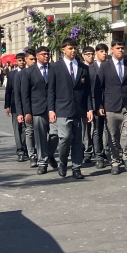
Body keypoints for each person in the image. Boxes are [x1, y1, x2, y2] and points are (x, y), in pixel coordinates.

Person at [95, 39, 127, 175]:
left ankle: (126, 157)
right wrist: (99, 105)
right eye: (118, 48)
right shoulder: (105, 66)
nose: (120, 50)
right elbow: (98, 88)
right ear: (112, 49)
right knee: (113, 136)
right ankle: (115, 161)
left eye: (122, 48)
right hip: (111, 106)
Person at [48, 38, 93, 179]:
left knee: (78, 141)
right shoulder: (55, 67)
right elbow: (51, 90)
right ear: (63, 49)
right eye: (70, 48)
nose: (73, 51)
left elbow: (88, 92)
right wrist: (51, 109)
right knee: (65, 138)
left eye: (75, 48)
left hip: (79, 109)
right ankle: (63, 163)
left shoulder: (83, 68)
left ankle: (76, 168)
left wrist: (90, 109)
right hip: (62, 109)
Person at [21, 46, 59, 175]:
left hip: (53, 108)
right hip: (37, 109)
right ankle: (42, 162)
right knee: (40, 137)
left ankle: (49, 154)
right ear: (37, 56)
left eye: (48, 54)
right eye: (43, 54)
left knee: (57, 134)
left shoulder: (54, 69)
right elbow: (25, 94)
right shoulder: (29, 72)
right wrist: (27, 112)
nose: (46, 56)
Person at [88, 43, 110, 169]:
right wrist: (93, 107)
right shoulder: (91, 68)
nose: (104, 53)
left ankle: (109, 153)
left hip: (110, 104)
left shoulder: (109, 66)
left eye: (106, 51)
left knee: (110, 131)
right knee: (97, 131)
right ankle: (99, 156)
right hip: (96, 104)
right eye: (101, 51)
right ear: (96, 53)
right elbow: (90, 90)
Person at [15, 49, 37, 167]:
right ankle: (32, 155)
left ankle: (42, 153)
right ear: (26, 60)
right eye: (31, 59)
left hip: (41, 108)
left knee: (43, 133)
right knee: (29, 132)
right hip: (27, 109)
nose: (33, 61)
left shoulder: (42, 71)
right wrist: (20, 112)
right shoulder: (20, 74)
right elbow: (18, 95)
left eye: (35, 59)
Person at [5, 53, 28, 162]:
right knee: (17, 128)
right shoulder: (12, 74)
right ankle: (20, 150)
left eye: (23, 60)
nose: (22, 62)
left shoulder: (30, 72)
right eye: (20, 60)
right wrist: (7, 106)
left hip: (27, 105)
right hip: (15, 105)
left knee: (26, 129)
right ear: (16, 62)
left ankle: (27, 148)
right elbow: (8, 91)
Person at [81, 46, 96, 163]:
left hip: (97, 101)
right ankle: (87, 151)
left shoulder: (97, 67)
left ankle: (98, 149)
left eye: (92, 54)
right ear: (83, 55)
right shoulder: (82, 68)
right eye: (88, 54)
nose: (91, 56)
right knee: (86, 129)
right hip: (85, 102)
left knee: (97, 129)